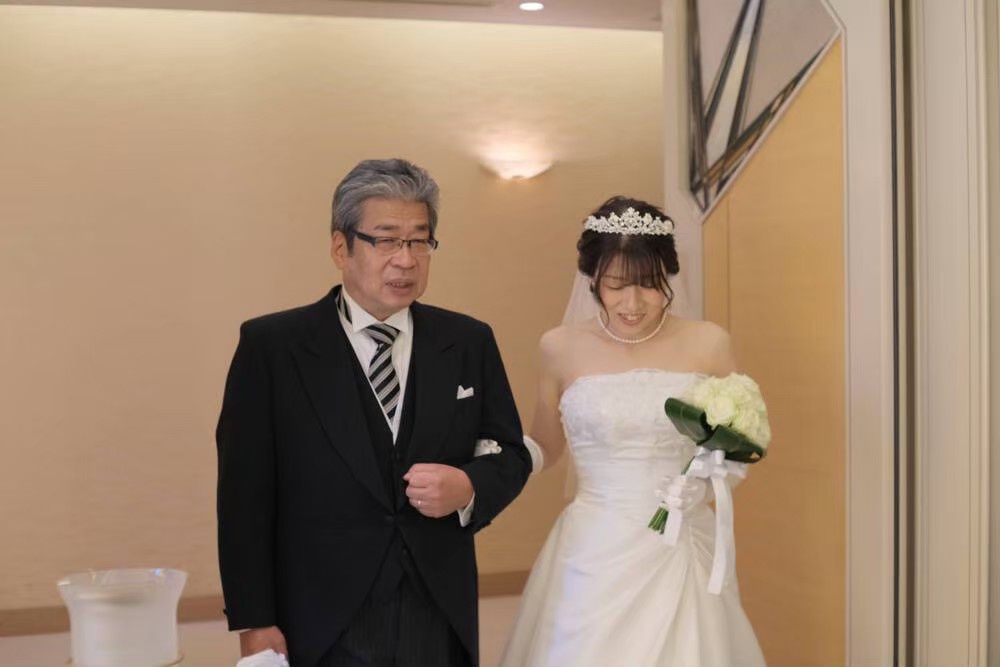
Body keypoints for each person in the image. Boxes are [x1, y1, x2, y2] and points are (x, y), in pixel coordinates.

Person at [216, 158, 531, 667]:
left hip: (437, 609)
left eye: (419, 241)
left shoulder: (468, 341)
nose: (405, 261)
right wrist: (254, 620)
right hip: (318, 614)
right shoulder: (272, 347)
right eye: (386, 240)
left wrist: (469, 487)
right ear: (341, 248)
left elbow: (511, 454)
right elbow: (243, 495)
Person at [501, 196, 766, 666]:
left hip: (680, 538)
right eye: (617, 285)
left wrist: (706, 484)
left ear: (669, 276)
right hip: (594, 541)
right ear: (592, 280)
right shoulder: (559, 347)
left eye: (648, 284)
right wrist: (487, 455)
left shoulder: (708, 342)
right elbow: (545, 446)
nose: (633, 302)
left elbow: (738, 443)